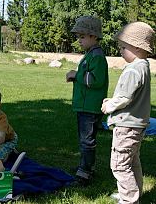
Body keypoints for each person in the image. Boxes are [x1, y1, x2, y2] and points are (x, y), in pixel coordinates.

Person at [101, 22, 154, 204]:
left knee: (120, 165)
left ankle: (129, 199)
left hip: (127, 125)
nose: (121, 51)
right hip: (137, 124)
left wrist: (109, 106)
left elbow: (124, 98)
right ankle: (133, 193)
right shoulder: (144, 66)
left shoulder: (133, 69)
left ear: (137, 47)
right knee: (132, 161)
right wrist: (113, 101)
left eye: (123, 47)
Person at [66, 16, 109, 186]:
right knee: (85, 139)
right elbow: (88, 78)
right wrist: (76, 78)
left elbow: (96, 80)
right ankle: (85, 167)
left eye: (82, 37)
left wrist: (76, 75)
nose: (79, 40)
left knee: (87, 140)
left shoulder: (97, 56)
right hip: (84, 106)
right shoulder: (90, 54)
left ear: (93, 36)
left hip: (90, 108)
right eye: (78, 37)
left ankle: (85, 172)